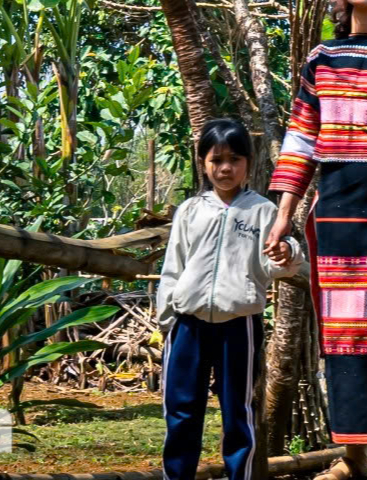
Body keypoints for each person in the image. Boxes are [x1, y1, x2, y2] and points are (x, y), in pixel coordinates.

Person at [266, 0, 367, 480]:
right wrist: (284, 213)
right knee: (344, 333)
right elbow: (301, 138)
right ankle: (352, 457)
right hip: (337, 209)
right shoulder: (321, 58)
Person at [157, 117, 280, 480]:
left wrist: (287, 254)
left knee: (237, 413)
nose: (225, 168)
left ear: (249, 163)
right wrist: (168, 322)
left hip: (238, 326)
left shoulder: (262, 211)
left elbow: (274, 263)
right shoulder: (190, 211)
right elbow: (172, 269)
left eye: (234, 160)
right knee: (180, 411)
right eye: (216, 160)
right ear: (203, 163)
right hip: (187, 325)